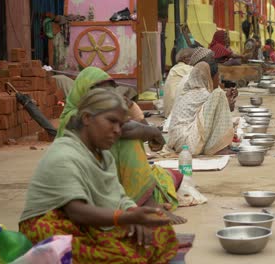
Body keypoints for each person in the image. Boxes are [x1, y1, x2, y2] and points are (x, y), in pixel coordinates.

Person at [20, 89, 178, 263]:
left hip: (90, 223)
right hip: (55, 224)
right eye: (111, 121)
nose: (118, 131)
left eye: (121, 124)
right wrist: (124, 218)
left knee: (161, 232)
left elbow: (118, 196)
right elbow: (76, 211)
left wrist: (133, 211)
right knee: (119, 257)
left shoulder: (104, 156)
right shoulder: (63, 154)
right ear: (87, 118)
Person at [57, 67, 186, 224]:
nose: (117, 129)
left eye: (110, 95)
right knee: (128, 140)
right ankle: (145, 201)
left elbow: (133, 125)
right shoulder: (73, 118)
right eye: (102, 96)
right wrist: (153, 132)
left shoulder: (105, 132)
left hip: (104, 186)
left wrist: (131, 107)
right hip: (81, 196)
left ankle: (143, 202)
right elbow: (128, 129)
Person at [168, 62, 234, 155]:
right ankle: (218, 148)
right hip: (188, 144)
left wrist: (226, 99)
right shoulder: (203, 93)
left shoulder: (189, 92)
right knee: (218, 94)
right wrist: (226, 99)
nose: (219, 80)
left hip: (177, 142)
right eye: (217, 77)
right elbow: (218, 106)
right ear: (209, 78)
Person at [164, 48, 195, 117]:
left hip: (168, 110)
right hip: (174, 111)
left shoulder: (175, 67)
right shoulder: (187, 68)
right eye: (192, 57)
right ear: (184, 59)